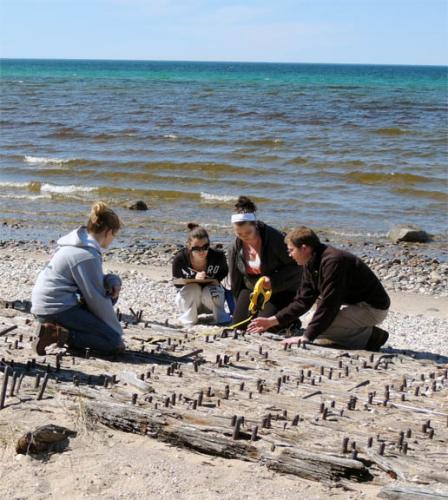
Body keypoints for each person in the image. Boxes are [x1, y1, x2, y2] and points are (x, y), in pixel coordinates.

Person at [248, 226, 390, 350]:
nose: (290, 255)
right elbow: (302, 301)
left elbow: (330, 303)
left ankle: (371, 337)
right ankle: (357, 331)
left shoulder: (333, 262)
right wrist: (271, 321)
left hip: (373, 308)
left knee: (320, 328)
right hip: (355, 304)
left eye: (291, 250)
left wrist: (306, 337)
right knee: (313, 323)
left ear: (304, 248)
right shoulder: (311, 262)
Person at [31, 202, 125, 355]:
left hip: (46, 305)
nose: (113, 239)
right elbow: (97, 298)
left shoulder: (75, 244)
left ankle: (59, 331)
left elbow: (92, 281)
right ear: (108, 232)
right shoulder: (86, 255)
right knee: (112, 341)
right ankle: (57, 335)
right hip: (55, 308)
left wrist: (113, 280)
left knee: (110, 301)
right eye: (114, 235)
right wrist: (117, 334)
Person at [228, 196, 301, 330]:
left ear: (255, 225)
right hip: (251, 288)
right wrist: (239, 304)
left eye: (248, 232)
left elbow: (297, 267)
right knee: (238, 326)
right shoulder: (234, 247)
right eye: (239, 234)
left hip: (280, 289)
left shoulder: (275, 239)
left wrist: (272, 280)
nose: (245, 237)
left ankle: (292, 319)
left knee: (266, 326)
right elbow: (236, 279)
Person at [173, 223, 231, 326]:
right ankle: (189, 319)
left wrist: (211, 279)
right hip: (190, 301)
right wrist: (193, 278)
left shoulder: (218, 256)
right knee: (193, 288)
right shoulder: (180, 259)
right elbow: (177, 283)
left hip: (212, 302)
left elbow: (224, 275)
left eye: (205, 247)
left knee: (209, 290)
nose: (202, 251)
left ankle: (220, 317)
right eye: (196, 248)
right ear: (189, 247)